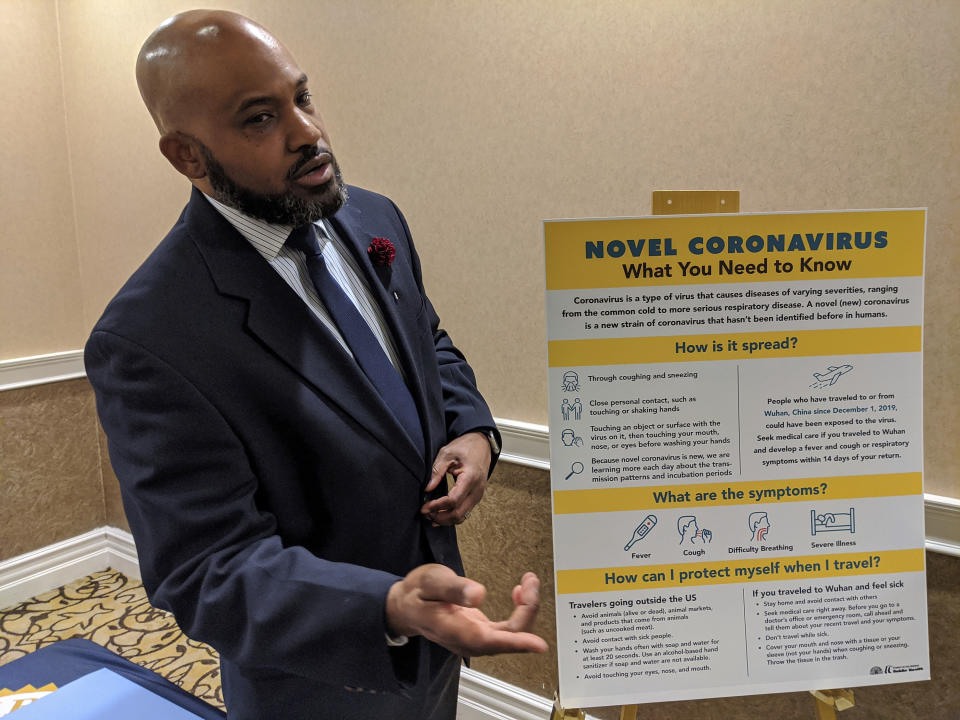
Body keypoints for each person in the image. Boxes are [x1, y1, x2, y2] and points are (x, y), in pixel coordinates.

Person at [85, 10, 546, 719]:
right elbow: (205, 569)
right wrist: (386, 607)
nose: (308, 132)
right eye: (260, 120)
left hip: (436, 644)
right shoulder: (149, 336)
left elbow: (429, 343)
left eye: (301, 97)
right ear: (187, 156)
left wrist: (474, 430)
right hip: (317, 682)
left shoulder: (375, 218)